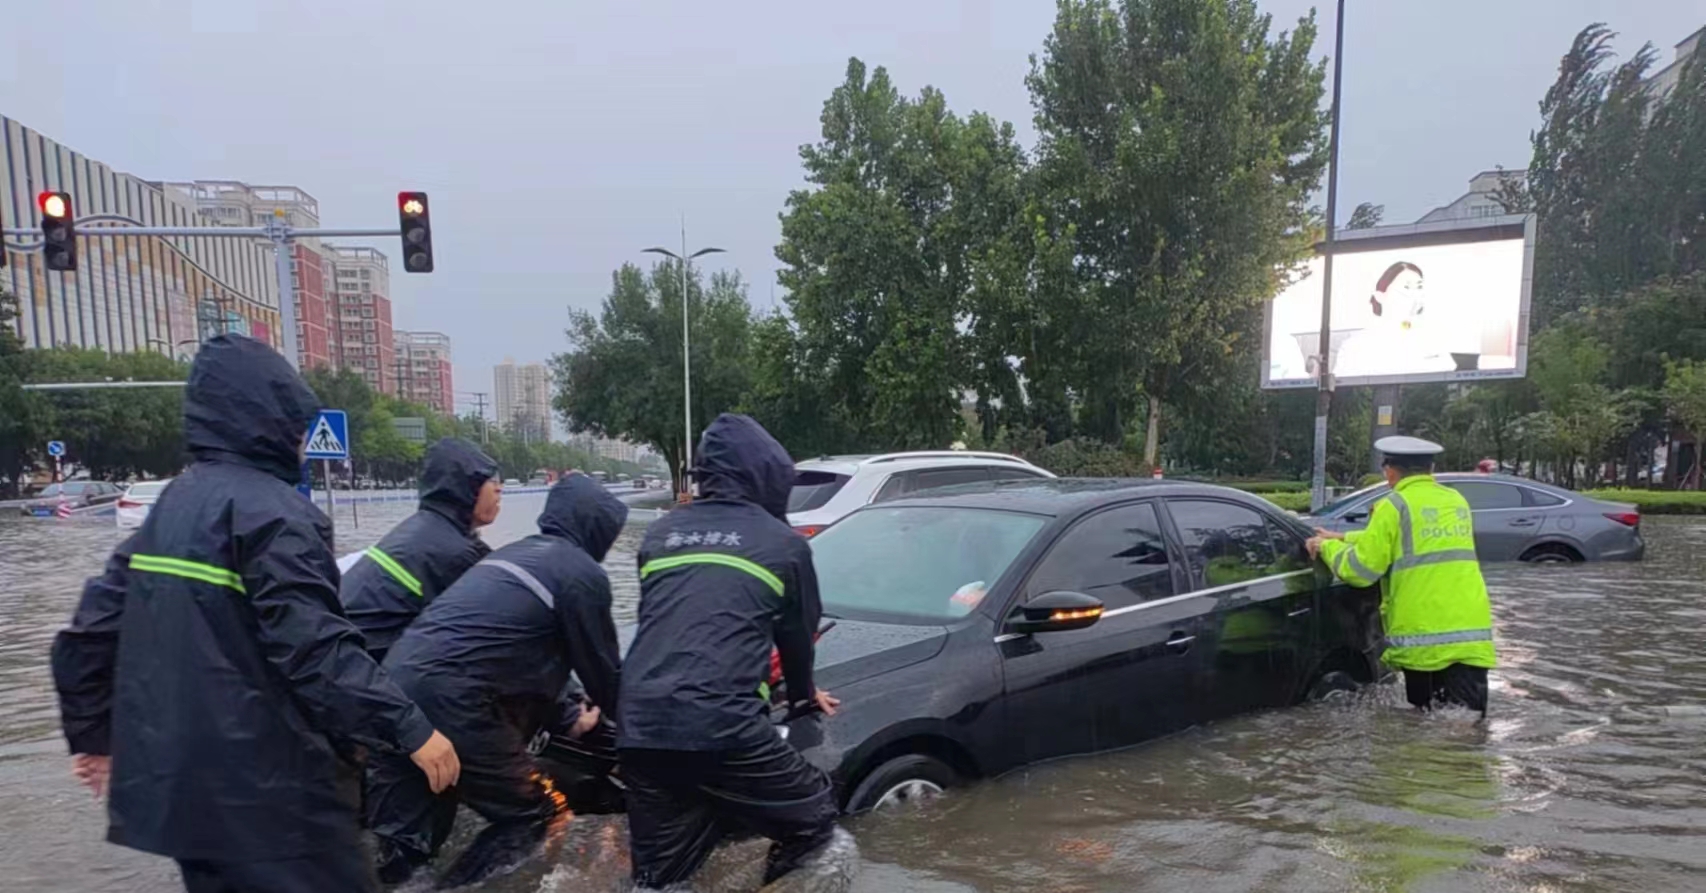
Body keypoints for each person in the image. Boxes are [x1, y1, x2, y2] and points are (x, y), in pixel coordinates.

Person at [49, 334, 460, 893]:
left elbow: (88, 632)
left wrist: (93, 736)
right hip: (276, 800)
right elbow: (318, 651)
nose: (300, 443)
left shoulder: (173, 504)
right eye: (297, 428)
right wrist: (413, 729)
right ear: (271, 423)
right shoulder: (277, 514)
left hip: (182, 801)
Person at [366, 473, 627, 886]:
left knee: (406, 844)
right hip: (458, 705)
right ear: (599, 530)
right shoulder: (581, 574)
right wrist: (647, 732)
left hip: (394, 692)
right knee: (532, 812)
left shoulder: (512, 556)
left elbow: (506, 646)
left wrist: (564, 715)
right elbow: (605, 677)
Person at [618, 413, 841, 890]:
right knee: (816, 820)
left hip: (638, 728)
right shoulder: (784, 545)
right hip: (722, 724)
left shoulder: (660, 536)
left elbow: (671, 624)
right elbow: (797, 641)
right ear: (767, 475)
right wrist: (803, 697)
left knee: (659, 880)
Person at [1307, 435, 1497, 716]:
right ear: (1429, 470)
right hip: (1471, 635)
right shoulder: (1455, 501)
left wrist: (1327, 547)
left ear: (1391, 471)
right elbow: (1415, 539)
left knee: (1423, 726)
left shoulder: (1393, 505)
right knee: (1467, 726)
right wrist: (1345, 536)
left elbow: (1361, 571)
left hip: (1425, 640)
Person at [340, 437, 502, 663]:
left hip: (344, 660)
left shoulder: (425, 527)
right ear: (465, 488)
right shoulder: (453, 551)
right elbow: (502, 627)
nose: (498, 488)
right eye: (488, 480)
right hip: (364, 671)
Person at [1333, 262, 1457, 378]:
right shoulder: (1355, 345)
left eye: (1419, 287)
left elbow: (1448, 369)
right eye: (1407, 288)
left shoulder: (1431, 338)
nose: (1415, 295)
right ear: (1380, 296)